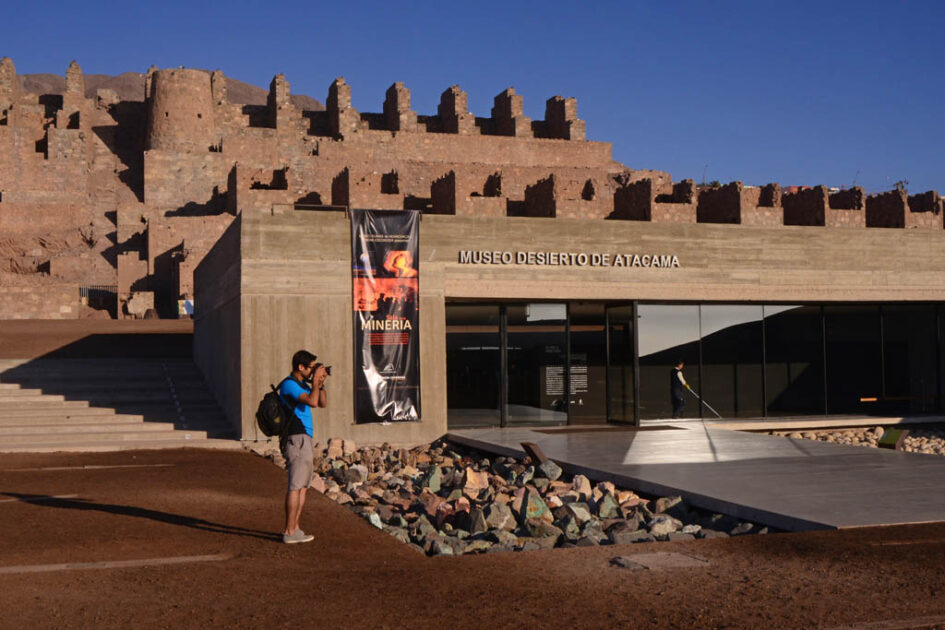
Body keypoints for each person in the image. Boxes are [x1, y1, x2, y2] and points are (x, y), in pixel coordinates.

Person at [278, 349, 328, 544]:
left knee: (303, 487)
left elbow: (322, 402)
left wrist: (321, 383)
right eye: (311, 368)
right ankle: (289, 531)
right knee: (295, 486)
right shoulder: (290, 385)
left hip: (304, 438)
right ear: (300, 367)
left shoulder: (303, 385)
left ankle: (296, 528)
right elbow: (312, 402)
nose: (312, 371)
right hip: (295, 438)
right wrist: (314, 383)